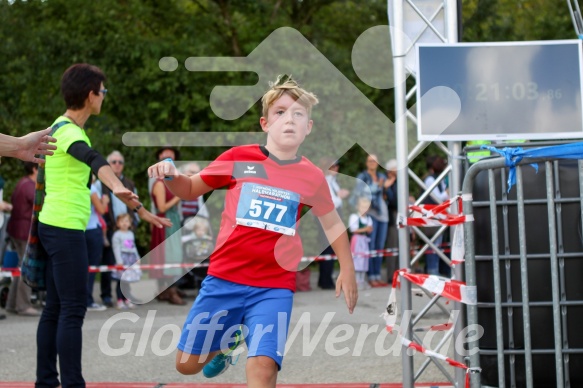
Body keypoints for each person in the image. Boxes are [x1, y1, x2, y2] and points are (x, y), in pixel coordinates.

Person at [148, 76, 357, 387]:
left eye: (298, 114)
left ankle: (249, 340)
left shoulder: (312, 176)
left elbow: (333, 222)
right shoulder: (239, 158)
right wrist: (171, 173)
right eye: (281, 112)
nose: (289, 119)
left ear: (308, 127)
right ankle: (230, 341)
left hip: (274, 285)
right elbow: (191, 188)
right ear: (265, 122)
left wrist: (348, 267)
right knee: (186, 365)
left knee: (263, 368)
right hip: (225, 279)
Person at [36, 63, 171, 388]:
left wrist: (138, 207)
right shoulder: (68, 131)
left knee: (55, 308)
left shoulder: (60, 126)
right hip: (65, 229)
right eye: (103, 91)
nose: (104, 96)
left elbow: (96, 163)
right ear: (90, 95)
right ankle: (71, 384)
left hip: (54, 225)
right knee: (71, 309)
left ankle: (46, 382)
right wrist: (118, 188)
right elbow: (95, 161)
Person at [97, 150, 138, 307]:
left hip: (127, 229)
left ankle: (126, 295)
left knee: (127, 264)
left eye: (120, 162)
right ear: (108, 164)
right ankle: (106, 295)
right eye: (113, 162)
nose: (117, 164)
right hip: (110, 228)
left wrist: (134, 224)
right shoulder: (101, 183)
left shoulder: (129, 184)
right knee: (109, 263)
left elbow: (137, 206)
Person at [150, 146, 186, 305]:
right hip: (164, 220)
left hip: (173, 219)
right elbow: (162, 207)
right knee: (167, 255)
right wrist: (179, 196)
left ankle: (167, 289)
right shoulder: (159, 183)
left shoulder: (170, 182)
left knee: (174, 254)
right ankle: (168, 290)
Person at [5, 162, 40, 316]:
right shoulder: (30, 186)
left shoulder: (22, 183)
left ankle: (12, 304)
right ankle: (23, 305)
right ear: (34, 169)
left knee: (20, 268)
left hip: (16, 230)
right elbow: (39, 205)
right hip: (24, 231)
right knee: (26, 268)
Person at [351, 154, 389, 287]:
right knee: (371, 247)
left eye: (374, 160)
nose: (372, 163)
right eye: (370, 161)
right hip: (371, 214)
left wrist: (386, 187)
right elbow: (361, 193)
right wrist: (377, 187)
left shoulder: (382, 176)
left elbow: (387, 195)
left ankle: (377, 276)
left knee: (379, 247)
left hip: (384, 215)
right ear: (366, 163)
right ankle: (371, 276)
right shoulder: (363, 177)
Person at [316, 158, 349, 289]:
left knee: (331, 248)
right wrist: (340, 197)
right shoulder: (324, 180)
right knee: (327, 247)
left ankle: (326, 278)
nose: (336, 169)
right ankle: (325, 280)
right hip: (327, 216)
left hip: (333, 215)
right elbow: (330, 203)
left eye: (337, 166)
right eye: (333, 166)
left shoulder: (334, 181)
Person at [422, 155, 449, 276]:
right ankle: (432, 272)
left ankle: (436, 271)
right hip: (431, 216)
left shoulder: (440, 179)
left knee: (438, 246)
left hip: (440, 215)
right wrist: (447, 192)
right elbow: (437, 198)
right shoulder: (430, 179)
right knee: (433, 246)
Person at [85, 175, 109, 312]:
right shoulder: (92, 187)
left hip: (80, 228)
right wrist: (105, 201)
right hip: (93, 229)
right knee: (91, 267)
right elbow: (101, 210)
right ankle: (88, 300)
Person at [111, 213, 141, 310]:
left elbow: (133, 247)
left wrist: (137, 257)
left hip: (130, 259)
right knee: (121, 281)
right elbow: (116, 249)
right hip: (122, 259)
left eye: (126, 221)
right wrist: (119, 261)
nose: (124, 223)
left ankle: (127, 299)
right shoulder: (117, 235)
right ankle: (120, 300)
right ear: (118, 223)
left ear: (130, 223)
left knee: (127, 281)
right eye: (122, 221)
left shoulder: (130, 234)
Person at [348, 197, 373, 290]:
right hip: (357, 240)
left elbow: (370, 229)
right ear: (358, 207)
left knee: (364, 259)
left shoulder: (368, 218)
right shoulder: (354, 217)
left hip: (364, 240)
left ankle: (362, 279)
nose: (364, 209)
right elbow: (353, 230)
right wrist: (365, 229)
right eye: (362, 207)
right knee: (357, 259)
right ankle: (356, 280)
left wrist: (368, 230)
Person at [384, 159, 399, 282]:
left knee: (400, 246)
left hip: (397, 216)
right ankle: (391, 275)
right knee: (392, 246)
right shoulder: (387, 183)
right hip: (392, 217)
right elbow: (393, 201)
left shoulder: (398, 182)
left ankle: (399, 273)